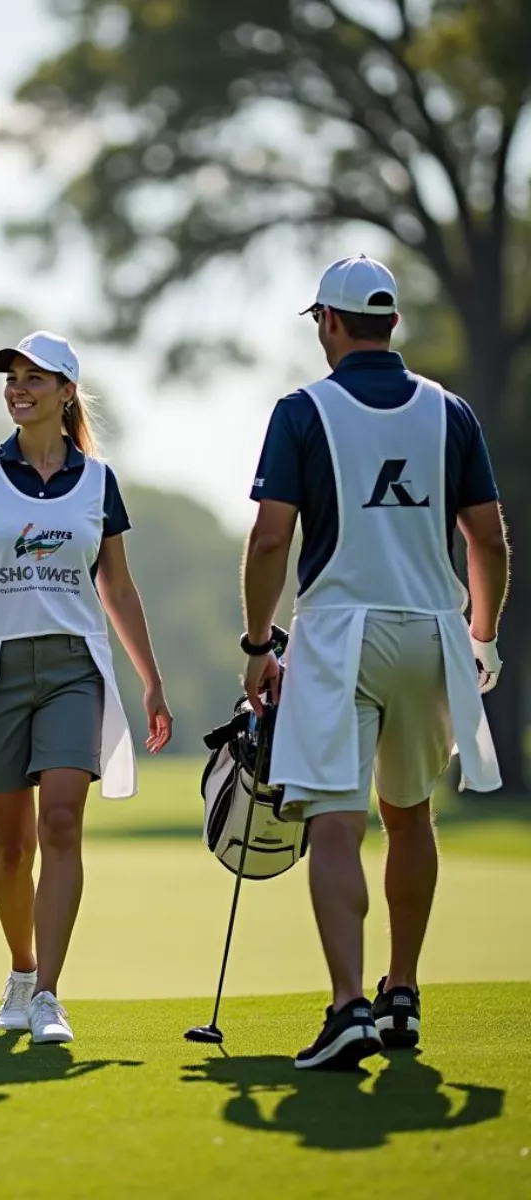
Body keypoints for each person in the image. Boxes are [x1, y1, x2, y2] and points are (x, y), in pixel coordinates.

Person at [242, 254, 508, 1071]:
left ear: (328, 321)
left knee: (334, 820)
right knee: (410, 815)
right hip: (432, 629)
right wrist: (484, 637)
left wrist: (257, 645)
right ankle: (404, 993)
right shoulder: (450, 411)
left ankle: (348, 1004)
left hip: (336, 632)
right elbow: (489, 538)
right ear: (391, 323)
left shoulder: (301, 409)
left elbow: (271, 538)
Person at [0, 330, 173, 1045]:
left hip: (73, 665)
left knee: (59, 822)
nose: (19, 388)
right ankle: (23, 970)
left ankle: (50, 998)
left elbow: (118, 587)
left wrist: (151, 680)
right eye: (13, 377)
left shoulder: (99, 481)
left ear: (67, 393)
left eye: (36, 378)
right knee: (11, 848)